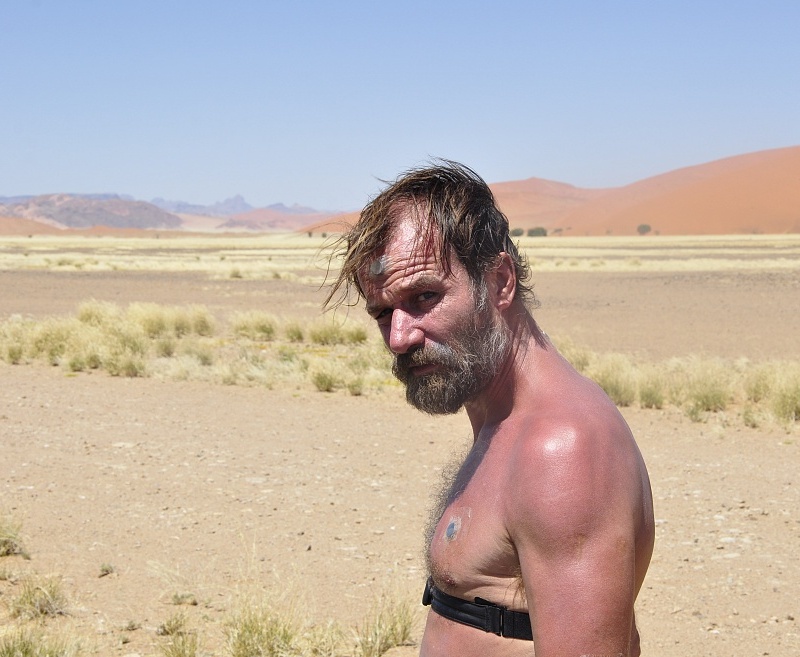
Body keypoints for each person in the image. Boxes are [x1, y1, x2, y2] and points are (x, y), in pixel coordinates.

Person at [326, 161, 655, 656]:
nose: (399, 338)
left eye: (424, 297)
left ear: (500, 281)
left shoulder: (562, 451)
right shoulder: (505, 423)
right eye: (383, 313)